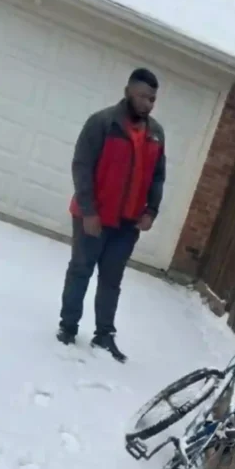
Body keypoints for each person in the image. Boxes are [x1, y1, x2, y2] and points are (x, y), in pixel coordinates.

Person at [58, 68, 166, 362]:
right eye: (143, 96)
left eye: (153, 99)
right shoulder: (102, 123)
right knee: (80, 270)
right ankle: (68, 327)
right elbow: (81, 166)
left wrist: (151, 210)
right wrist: (89, 211)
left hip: (127, 224)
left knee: (111, 280)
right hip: (92, 218)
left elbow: (157, 177)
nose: (147, 104)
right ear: (128, 91)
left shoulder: (155, 134)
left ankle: (104, 334)